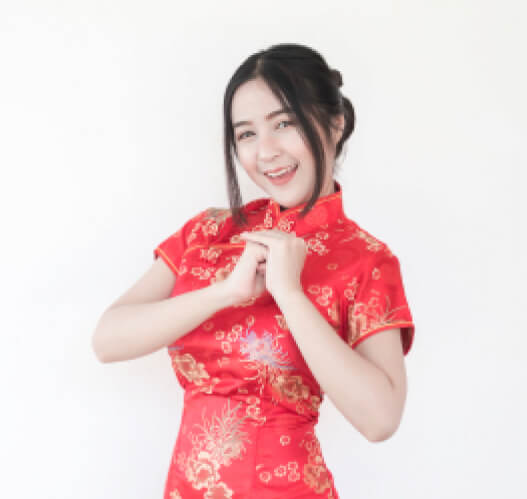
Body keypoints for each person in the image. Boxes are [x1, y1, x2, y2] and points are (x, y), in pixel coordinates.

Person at [92, 43, 415, 499]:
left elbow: (381, 419)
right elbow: (107, 340)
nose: (266, 152)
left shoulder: (365, 259)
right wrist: (224, 292)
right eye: (246, 134)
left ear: (335, 123)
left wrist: (291, 295)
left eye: (284, 123)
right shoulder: (209, 231)